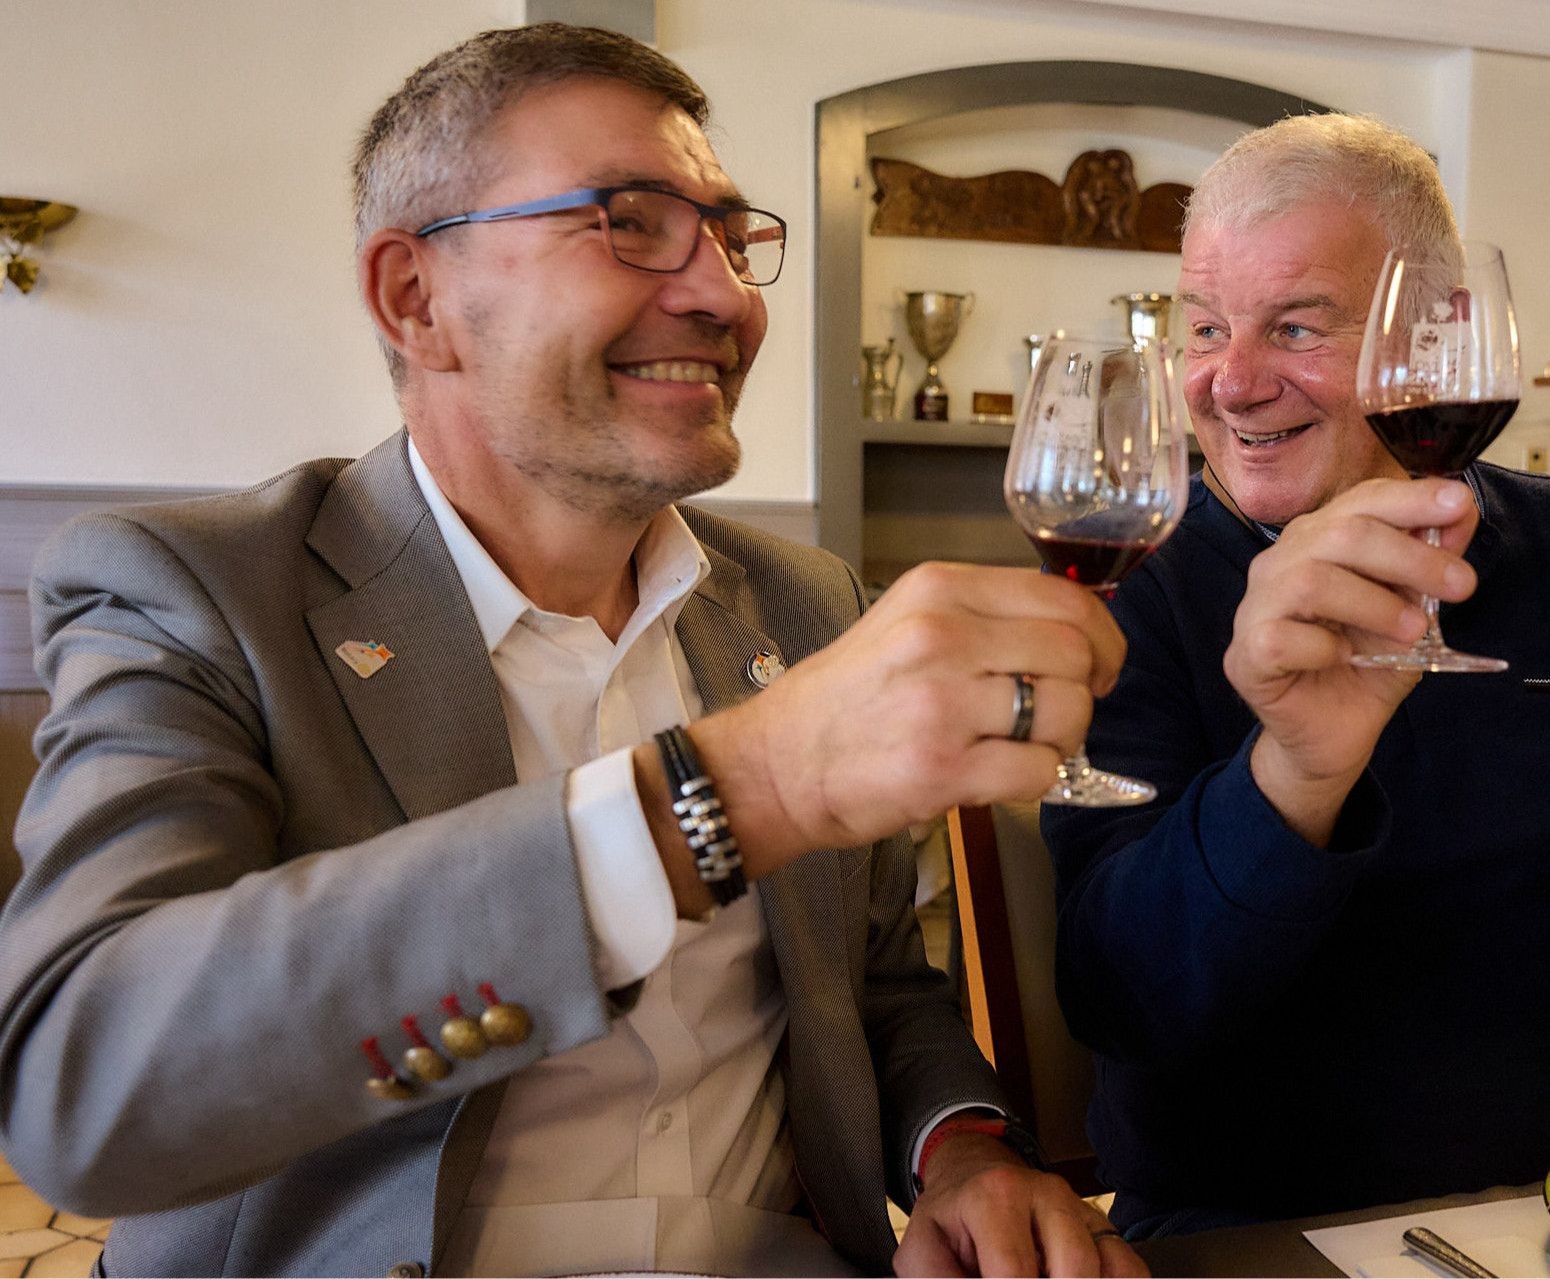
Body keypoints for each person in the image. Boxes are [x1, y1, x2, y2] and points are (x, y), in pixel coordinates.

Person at [0, 24, 1145, 1279]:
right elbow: (85, 1090)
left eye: (724, 234)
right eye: (629, 221)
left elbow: (870, 985)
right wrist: (735, 794)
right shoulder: (200, 591)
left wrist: (962, 1148)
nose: (722, 294)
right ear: (414, 296)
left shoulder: (801, 599)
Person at [1041, 111, 1550, 1238]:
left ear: (1433, 330)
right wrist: (1291, 773)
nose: (1228, 381)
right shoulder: (1131, 586)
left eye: (1295, 326)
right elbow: (1118, 995)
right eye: (1207, 326)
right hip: (1242, 1232)